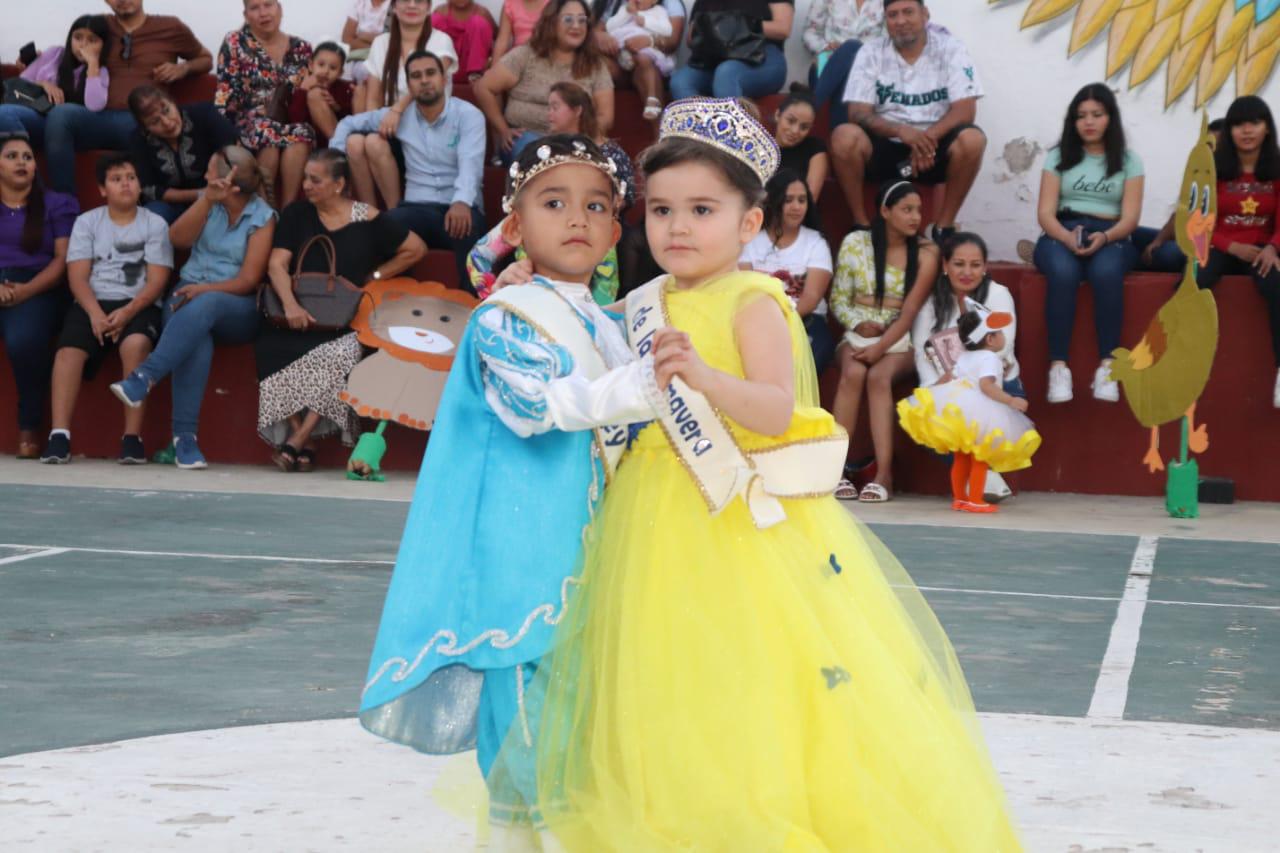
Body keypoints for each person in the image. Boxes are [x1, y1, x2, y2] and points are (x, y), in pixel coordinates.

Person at [483, 97, 1022, 850]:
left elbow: (774, 409)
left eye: (702, 209)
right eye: (663, 209)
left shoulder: (755, 301)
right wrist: (527, 294)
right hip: (647, 515)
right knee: (655, 681)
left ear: (748, 223)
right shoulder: (644, 302)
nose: (677, 227)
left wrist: (703, 377)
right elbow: (589, 347)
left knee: (739, 677)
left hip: (730, 521)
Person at [360, 134, 653, 847]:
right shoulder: (505, 317)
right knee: (528, 735)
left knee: (581, 725)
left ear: (616, 230)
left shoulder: (609, 326)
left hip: (593, 557)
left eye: (596, 206)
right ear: (516, 226)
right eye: (554, 202)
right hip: (523, 563)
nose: (577, 218)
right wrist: (648, 384)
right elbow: (533, 405)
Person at [255, 150, 424, 471]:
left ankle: (297, 440)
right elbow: (277, 264)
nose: (305, 185)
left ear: (339, 184)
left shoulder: (365, 216)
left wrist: (374, 277)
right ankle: (303, 441)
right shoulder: (297, 214)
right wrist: (290, 306)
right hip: (294, 313)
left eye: (315, 180)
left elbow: (415, 248)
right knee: (269, 345)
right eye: (305, 177)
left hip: (343, 318)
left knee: (343, 353)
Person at [109, 146, 275, 469]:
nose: (205, 176)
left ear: (232, 181)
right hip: (186, 297)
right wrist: (206, 200)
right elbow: (177, 238)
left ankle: (145, 376)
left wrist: (205, 289)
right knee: (197, 337)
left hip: (235, 305)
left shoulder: (263, 217)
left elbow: (248, 280)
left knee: (207, 303)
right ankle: (185, 440)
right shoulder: (208, 202)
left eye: (212, 171)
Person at [40, 153, 170, 465]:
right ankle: (59, 436)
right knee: (67, 353)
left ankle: (132, 438)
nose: (126, 184)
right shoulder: (88, 222)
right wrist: (96, 314)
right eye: (116, 179)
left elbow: (157, 282)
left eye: (131, 177)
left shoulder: (155, 223)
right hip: (93, 303)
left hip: (139, 304)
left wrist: (127, 313)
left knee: (135, 346)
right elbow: (77, 276)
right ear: (102, 189)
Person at [830, 0, 985, 241]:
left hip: (935, 149)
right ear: (885, 20)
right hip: (886, 147)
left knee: (973, 139)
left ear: (925, 15)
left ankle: (944, 227)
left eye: (908, 12)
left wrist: (926, 139)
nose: (900, 21)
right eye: (893, 15)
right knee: (844, 136)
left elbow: (965, 110)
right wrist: (902, 131)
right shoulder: (871, 52)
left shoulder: (951, 49)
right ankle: (861, 225)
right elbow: (857, 112)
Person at [334, 51, 485, 289]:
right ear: (409, 86)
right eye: (416, 76)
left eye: (430, 73)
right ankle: (371, 294)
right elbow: (348, 124)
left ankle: (470, 305)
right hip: (417, 208)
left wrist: (462, 201)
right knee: (377, 228)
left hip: (458, 206)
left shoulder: (468, 115)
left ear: (444, 79)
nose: (424, 80)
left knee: (466, 231)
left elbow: (471, 163)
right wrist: (335, 159)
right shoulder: (399, 117)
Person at [1033, 83, 1143, 405]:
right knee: (1064, 274)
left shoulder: (1129, 161)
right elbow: (1044, 212)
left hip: (1112, 233)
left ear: (1110, 118)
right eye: (1081, 116)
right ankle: (1058, 368)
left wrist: (1106, 237)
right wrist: (1066, 237)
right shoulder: (1057, 157)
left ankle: (1108, 367)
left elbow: (1131, 218)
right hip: (1063, 228)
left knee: (1106, 272)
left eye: (1097, 114)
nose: (1089, 122)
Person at [830, 180, 938, 502]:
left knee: (878, 377)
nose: (915, 217)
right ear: (885, 211)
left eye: (918, 210)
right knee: (853, 373)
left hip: (900, 338)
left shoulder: (926, 253)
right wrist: (857, 323)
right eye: (907, 210)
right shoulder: (855, 242)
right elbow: (838, 299)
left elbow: (909, 313)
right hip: (857, 332)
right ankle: (835, 471)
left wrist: (879, 345)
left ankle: (883, 474)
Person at [43, 0, 212, 197]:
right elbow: (72, 51)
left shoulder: (171, 27)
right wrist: (37, 69)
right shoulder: (100, 26)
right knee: (61, 115)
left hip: (141, 120)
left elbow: (205, 59)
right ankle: (63, 207)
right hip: (97, 117)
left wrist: (182, 68)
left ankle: (146, 207)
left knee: (147, 128)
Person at [911, 231, 1019, 502]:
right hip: (947, 386)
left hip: (994, 382)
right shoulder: (931, 301)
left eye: (975, 265)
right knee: (928, 415)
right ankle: (983, 479)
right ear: (945, 266)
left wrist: (962, 381)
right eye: (959, 264)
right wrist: (932, 390)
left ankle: (981, 475)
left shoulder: (998, 295)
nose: (967, 272)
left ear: (985, 267)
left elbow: (1001, 346)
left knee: (980, 414)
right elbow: (923, 353)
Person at [898, 307, 1039, 513]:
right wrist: (1010, 400)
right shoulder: (990, 359)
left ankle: (960, 499)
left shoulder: (965, 357)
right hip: (981, 413)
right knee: (980, 458)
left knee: (962, 458)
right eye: (998, 332)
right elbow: (987, 386)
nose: (1002, 336)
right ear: (990, 339)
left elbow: (949, 377)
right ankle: (975, 500)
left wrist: (931, 394)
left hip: (961, 412)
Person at [1197, 95, 1280, 408]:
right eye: (1238, 124)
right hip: (1221, 244)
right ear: (1229, 131)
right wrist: (1231, 246)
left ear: (1267, 129)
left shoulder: (1276, 170)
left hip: (1264, 250)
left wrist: (1273, 248)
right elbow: (1199, 220)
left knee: (1276, 286)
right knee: (1194, 281)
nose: (1247, 130)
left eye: (1254, 123)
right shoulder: (1213, 170)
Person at [0, 134, 78, 459]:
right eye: (12, 156)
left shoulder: (58, 204)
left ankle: (29, 426)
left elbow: (62, 261)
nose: (22, 162)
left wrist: (25, 292)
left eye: (28, 157)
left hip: (40, 286)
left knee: (24, 341)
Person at [474, 0, 614, 163]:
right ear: (552, 22)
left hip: (574, 144)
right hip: (525, 140)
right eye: (568, 19)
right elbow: (483, 88)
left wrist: (579, 138)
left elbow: (606, 116)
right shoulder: (526, 54)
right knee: (539, 152)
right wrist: (503, 130)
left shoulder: (595, 65)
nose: (576, 26)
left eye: (582, 20)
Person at [215, 0, 316, 208]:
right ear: (246, 15)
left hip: (288, 120)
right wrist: (225, 136)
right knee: (267, 136)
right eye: (254, 8)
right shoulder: (234, 42)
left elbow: (308, 90)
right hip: (247, 122)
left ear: (280, 9)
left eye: (268, 5)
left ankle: (287, 211)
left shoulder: (302, 48)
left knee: (302, 135)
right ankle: (265, 211)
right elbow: (224, 95)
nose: (263, 13)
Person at [740, 167, 835, 372]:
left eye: (802, 200)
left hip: (804, 321)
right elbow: (743, 289)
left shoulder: (815, 242)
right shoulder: (750, 240)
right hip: (756, 319)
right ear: (773, 201)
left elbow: (811, 297)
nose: (796, 207)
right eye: (789, 200)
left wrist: (780, 323)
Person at [127, 86, 239, 224]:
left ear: (173, 102)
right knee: (152, 218)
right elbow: (149, 189)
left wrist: (214, 191)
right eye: (155, 122)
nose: (167, 123)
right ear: (145, 128)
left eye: (167, 111)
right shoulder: (139, 140)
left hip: (219, 195)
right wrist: (201, 194)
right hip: (170, 205)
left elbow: (232, 149)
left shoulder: (204, 114)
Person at [0, 15, 111, 148]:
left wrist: (93, 64)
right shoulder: (55, 54)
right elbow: (22, 81)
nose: (83, 44)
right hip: (37, 113)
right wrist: (44, 84)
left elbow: (95, 105)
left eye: (92, 40)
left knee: (5, 113)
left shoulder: (101, 71)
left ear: (103, 44)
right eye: (78, 38)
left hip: (68, 128)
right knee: (5, 113)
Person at [668, 0, 793, 101]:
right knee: (681, 80)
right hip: (716, 58)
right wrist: (712, 31)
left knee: (727, 73)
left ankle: (730, 130)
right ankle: (704, 128)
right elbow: (691, 39)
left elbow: (782, 28)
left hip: (763, 56)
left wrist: (736, 26)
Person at [591, 0, 686, 119]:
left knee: (643, 62)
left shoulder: (663, 8)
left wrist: (650, 38)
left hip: (647, 58)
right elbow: (602, 28)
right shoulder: (623, 7)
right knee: (598, 63)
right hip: (622, 57)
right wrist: (602, 36)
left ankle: (655, 114)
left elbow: (671, 39)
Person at [362, 0, 459, 111]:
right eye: (405, 0)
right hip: (387, 123)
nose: (412, 5)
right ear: (394, 7)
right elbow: (373, 100)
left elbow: (427, 85)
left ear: (428, 8)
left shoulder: (441, 40)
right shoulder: (380, 42)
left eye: (418, 1)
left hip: (430, 121)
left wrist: (397, 111)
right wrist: (376, 125)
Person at [802, 0, 883, 130]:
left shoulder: (886, 3)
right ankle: (837, 136)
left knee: (851, 47)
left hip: (867, 69)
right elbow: (810, 32)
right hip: (827, 61)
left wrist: (854, 54)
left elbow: (888, 43)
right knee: (848, 53)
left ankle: (808, 108)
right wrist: (824, 48)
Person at [287, 42, 356, 148]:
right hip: (311, 143)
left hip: (335, 142)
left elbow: (351, 120)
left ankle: (340, 147)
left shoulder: (344, 89)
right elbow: (295, 120)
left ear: (340, 73)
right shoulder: (301, 86)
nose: (326, 71)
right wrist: (303, 90)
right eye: (321, 65)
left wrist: (337, 108)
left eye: (333, 68)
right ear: (311, 65)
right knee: (314, 94)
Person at [773, 85, 829, 201]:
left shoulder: (814, 149)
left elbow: (810, 200)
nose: (795, 131)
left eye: (804, 127)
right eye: (790, 121)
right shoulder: (761, 146)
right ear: (778, 115)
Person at [432, 0, 497, 85]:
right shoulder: (441, 12)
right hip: (446, 67)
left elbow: (498, 38)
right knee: (435, 19)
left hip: (473, 68)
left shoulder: (482, 13)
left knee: (478, 22)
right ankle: (434, 73)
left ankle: (475, 75)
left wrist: (491, 61)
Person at [342, 0, 393, 69]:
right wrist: (377, 46)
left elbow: (393, 41)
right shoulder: (360, 3)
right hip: (362, 58)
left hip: (388, 59)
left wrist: (364, 36)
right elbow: (347, 40)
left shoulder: (396, 5)